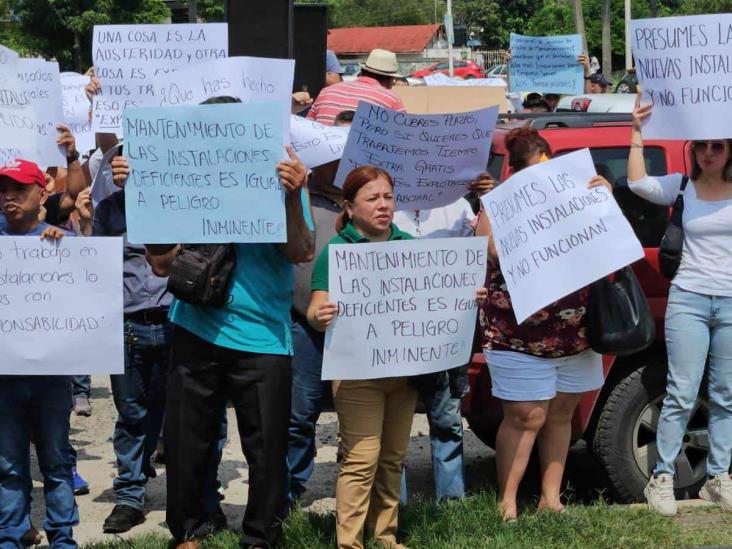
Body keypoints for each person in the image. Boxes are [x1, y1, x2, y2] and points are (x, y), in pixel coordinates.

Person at [144, 96, 314, 549]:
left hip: (262, 337)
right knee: (185, 443)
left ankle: (260, 537)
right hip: (196, 328)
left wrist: (294, 196)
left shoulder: (282, 176)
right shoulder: (186, 176)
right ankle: (188, 533)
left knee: (266, 450)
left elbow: (301, 251)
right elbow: (161, 262)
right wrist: (141, 192)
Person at [307, 166, 486, 548]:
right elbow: (315, 306)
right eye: (372, 198)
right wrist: (319, 314)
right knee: (361, 460)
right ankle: (349, 542)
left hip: (403, 375)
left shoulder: (410, 246)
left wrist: (465, 298)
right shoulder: (338, 252)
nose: (383, 205)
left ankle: (385, 536)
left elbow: (432, 301)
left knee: (392, 458)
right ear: (350, 207)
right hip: (357, 378)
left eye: (388, 197)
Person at [475, 127, 610, 521]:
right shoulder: (498, 205)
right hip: (516, 332)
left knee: (560, 413)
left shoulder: (574, 199)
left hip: (572, 330)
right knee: (526, 416)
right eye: (531, 173)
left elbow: (606, 241)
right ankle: (507, 503)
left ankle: (551, 500)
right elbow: (491, 252)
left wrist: (604, 201)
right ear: (514, 173)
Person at [629, 99, 732, 515]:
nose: (708, 153)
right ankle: (663, 478)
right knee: (682, 392)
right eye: (702, 145)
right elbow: (637, 183)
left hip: (730, 303)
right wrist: (637, 132)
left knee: (726, 395)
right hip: (688, 298)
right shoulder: (683, 186)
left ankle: (719, 477)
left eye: (718, 146)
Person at [84, 155, 173, 534]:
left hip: (177, 321)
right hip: (128, 324)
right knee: (132, 413)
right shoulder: (108, 210)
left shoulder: (182, 204)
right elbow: (97, 266)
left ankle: (197, 493)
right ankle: (130, 495)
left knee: (184, 413)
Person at [393, 177, 494, 503]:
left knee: (447, 419)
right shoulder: (385, 207)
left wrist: (487, 200)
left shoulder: (458, 207)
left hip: (444, 337)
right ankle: (395, 507)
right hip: (393, 336)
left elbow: (480, 256)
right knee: (392, 426)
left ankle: (451, 504)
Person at [0, 159, 79, 548]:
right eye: (2, 190)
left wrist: (68, 245)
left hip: (51, 377)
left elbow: (89, 297)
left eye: (18, 189)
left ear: (41, 193)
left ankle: (62, 537)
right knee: (9, 465)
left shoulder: (64, 244)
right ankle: (11, 536)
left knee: (56, 460)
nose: (8, 197)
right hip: (5, 379)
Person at [307, 48, 406, 126]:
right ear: (390, 80)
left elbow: (309, 125)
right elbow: (402, 135)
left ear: (362, 72)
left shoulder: (327, 91)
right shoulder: (391, 99)